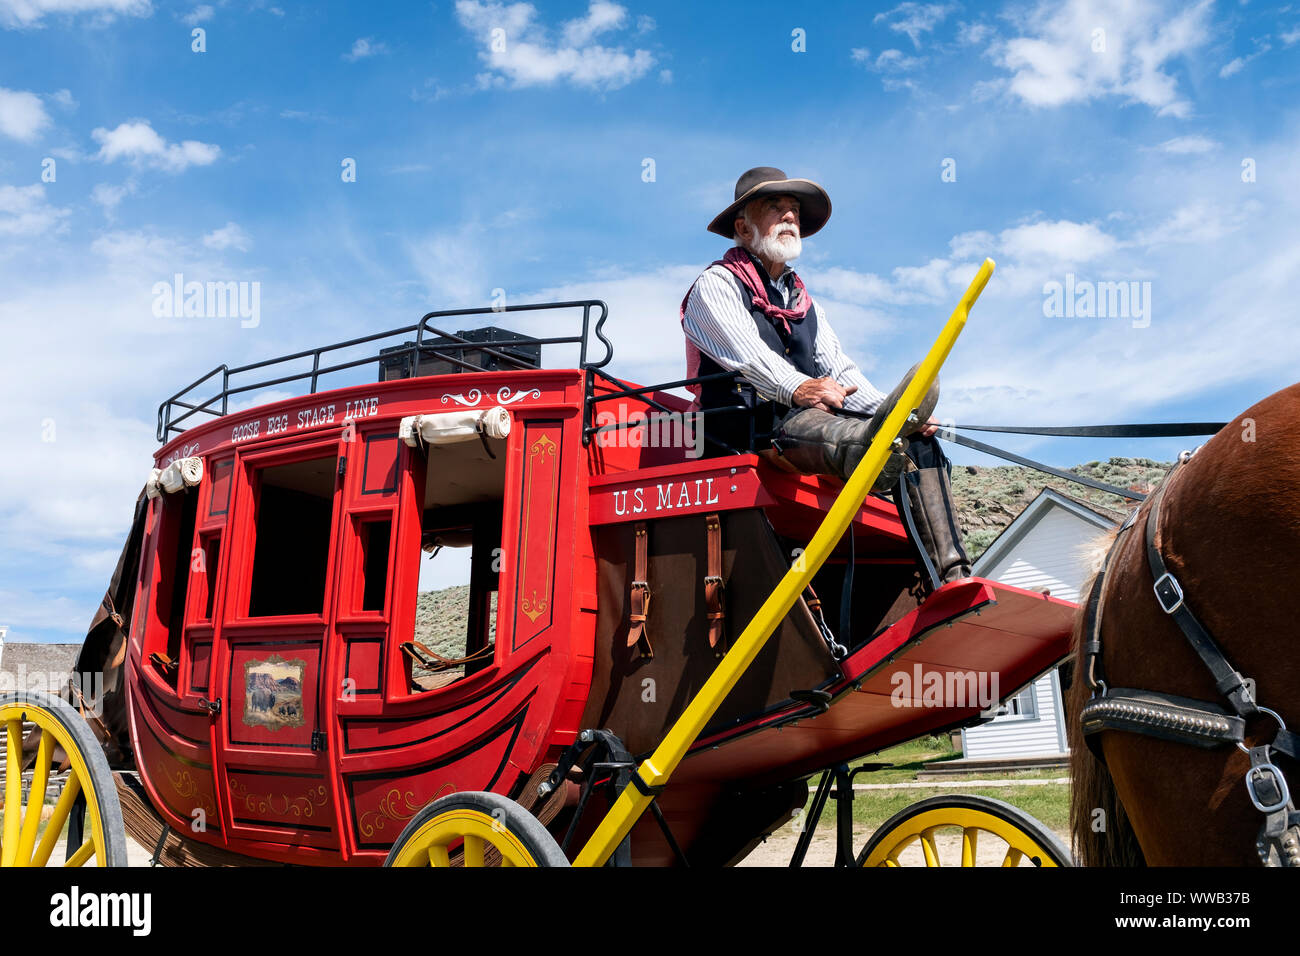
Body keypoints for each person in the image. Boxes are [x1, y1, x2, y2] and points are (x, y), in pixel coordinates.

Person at [679, 166, 971, 589]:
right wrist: (798, 387)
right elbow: (748, 356)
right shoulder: (715, 285)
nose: (790, 217)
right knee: (835, 428)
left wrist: (900, 413)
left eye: (794, 210)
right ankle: (871, 449)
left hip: (801, 424)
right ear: (742, 227)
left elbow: (841, 370)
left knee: (919, 440)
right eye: (776, 208)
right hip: (742, 429)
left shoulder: (802, 300)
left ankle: (951, 578)